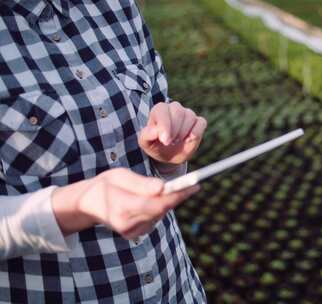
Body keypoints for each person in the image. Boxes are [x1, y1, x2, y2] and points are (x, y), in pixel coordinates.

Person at [0, 0, 207, 302]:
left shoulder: (116, 6)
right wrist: (77, 204)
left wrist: (168, 158)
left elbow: (156, 128)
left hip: (176, 290)